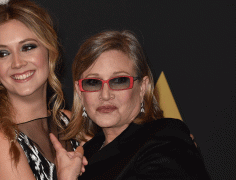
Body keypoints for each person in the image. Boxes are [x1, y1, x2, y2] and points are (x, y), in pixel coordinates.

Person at [51, 30, 211, 179]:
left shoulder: (165, 139)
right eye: (93, 82)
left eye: (119, 81)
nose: (105, 95)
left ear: (143, 88)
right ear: (80, 92)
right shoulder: (86, 153)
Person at [0, 0, 80, 179]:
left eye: (28, 47)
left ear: (49, 52)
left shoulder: (70, 123)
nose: (17, 63)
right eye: (3, 53)